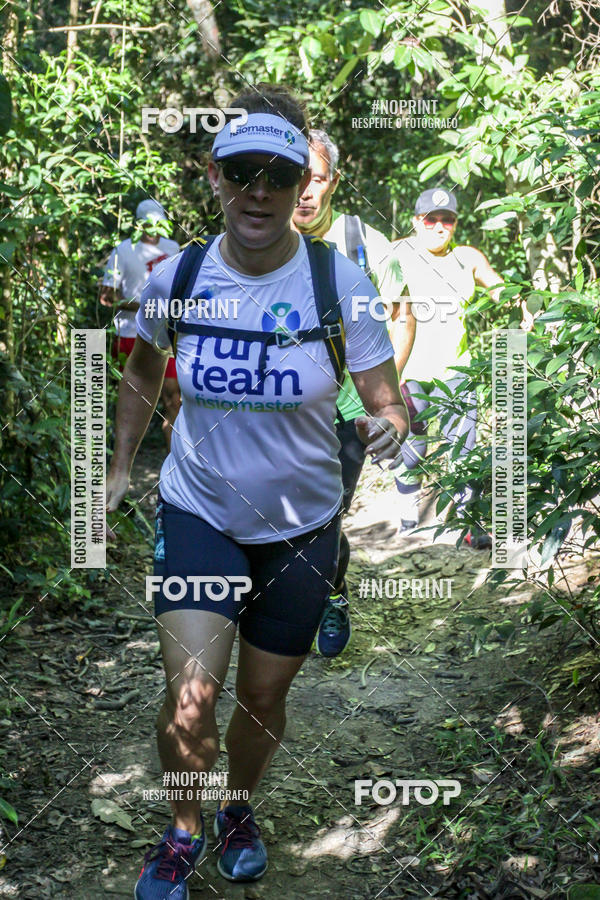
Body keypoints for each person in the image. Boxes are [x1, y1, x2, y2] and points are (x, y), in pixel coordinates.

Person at [106, 85, 409, 899]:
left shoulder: (340, 286)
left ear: (299, 180)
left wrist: (389, 425)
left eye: (280, 175)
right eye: (244, 173)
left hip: (303, 527)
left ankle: (238, 805)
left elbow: (388, 399)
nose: (261, 193)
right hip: (199, 510)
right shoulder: (178, 278)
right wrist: (112, 470)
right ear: (215, 176)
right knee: (194, 692)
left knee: (262, 695)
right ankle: (183, 828)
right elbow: (140, 372)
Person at [292, 128, 396, 657]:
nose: (306, 190)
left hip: (346, 412)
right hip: (278, 406)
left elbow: (399, 317)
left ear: (334, 181)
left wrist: (387, 402)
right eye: (298, 175)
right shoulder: (257, 238)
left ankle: (330, 593)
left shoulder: (364, 243)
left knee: (326, 515)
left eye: (317, 177)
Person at [389, 187, 507, 547]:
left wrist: (524, 304)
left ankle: (468, 523)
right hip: (408, 371)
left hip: (458, 371)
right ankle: (408, 505)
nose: (440, 227)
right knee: (412, 449)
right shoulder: (397, 253)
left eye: (448, 220)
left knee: (465, 449)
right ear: (416, 221)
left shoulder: (467, 257)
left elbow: (498, 285)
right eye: (431, 219)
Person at [100, 199, 181, 450]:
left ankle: (175, 460)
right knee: (134, 397)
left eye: (158, 223)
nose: (153, 229)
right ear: (138, 224)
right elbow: (106, 297)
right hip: (130, 333)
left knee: (174, 398)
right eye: (148, 223)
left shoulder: (174, 247)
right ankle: (123, 458)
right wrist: (142, 307)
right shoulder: (122, 251)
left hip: (166, 335)